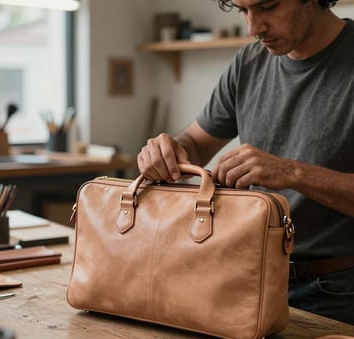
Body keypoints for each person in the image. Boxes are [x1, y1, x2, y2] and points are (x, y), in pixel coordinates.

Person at [137, 0, 354, 325]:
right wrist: (170, 149)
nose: (253, 28)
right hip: (250, 276)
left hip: (337, 290)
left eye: (268, 6)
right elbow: (195, 144)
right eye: (241, 9)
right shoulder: (249, 63)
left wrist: (292, 172)